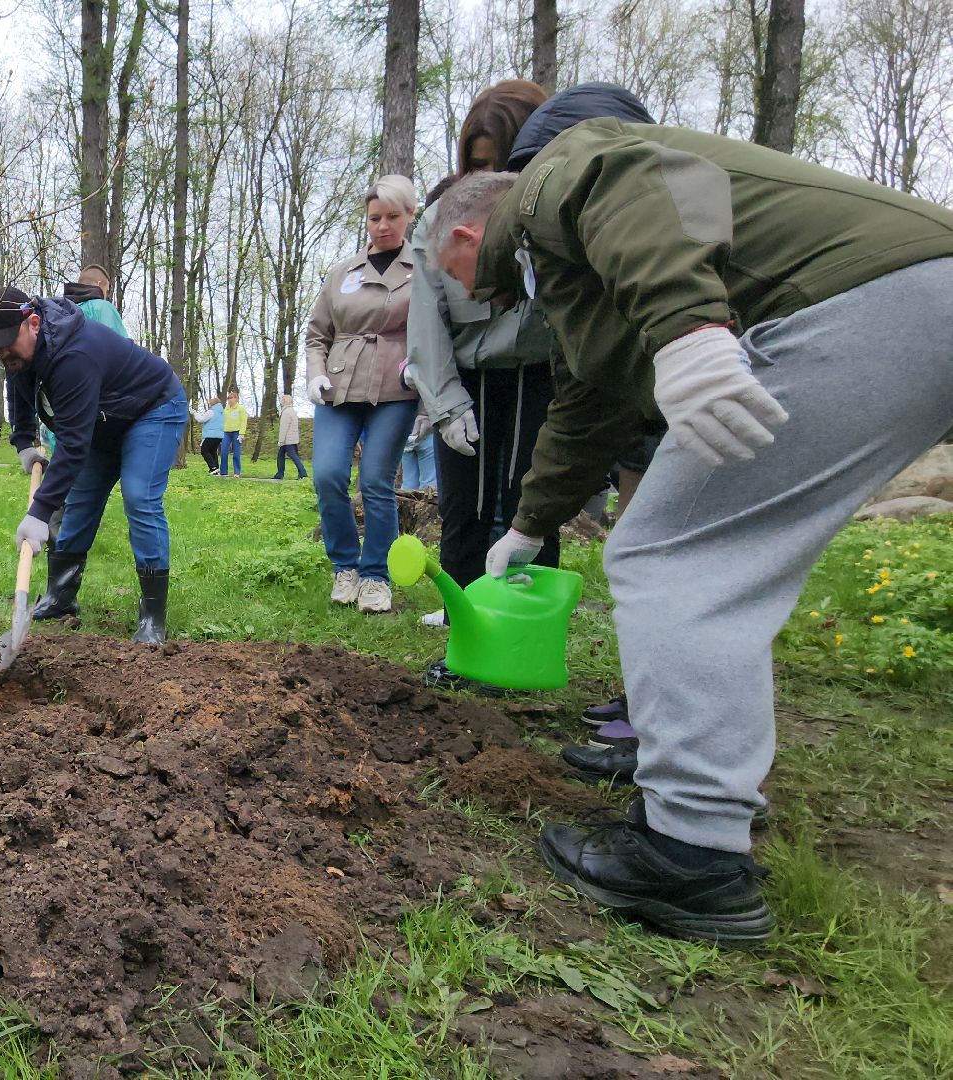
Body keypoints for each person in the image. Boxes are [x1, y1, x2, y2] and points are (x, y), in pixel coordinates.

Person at [426, 117, 953, 948]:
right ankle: (704, 799)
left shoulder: (554, 179)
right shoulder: (567, 280)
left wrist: (687, 332)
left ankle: (691, 856)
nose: (455, 290)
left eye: (443, 271)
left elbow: (625, 179)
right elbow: (588, 402)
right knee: (717, 562)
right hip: (913, 301)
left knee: (673, 558)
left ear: (464, 233)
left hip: (864, 301)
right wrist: (529, 525)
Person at [405, 81, 574, 646]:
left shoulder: (558, 215)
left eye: (502, 163)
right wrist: (446, 405)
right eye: (477, 166)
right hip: (468, 376)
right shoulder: (438, 220)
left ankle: (523, 635)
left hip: (537, 373)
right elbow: (426, 322)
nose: (490, 177)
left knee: (530, 499)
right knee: (465, 509)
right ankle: (467, 635)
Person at [0, 286, 187, 644]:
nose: (3, 352)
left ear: (33, 323)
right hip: (104, 420)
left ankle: (153, 617)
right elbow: (18, 389)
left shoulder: (74, 354)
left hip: (152, 409)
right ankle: (61, 599)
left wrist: (39, 512)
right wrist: (22, 443)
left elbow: (73, 445)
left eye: (7, 342)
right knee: (79, 505)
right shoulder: (19, 351)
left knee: (139, 497)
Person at [301, 175, 421, 615]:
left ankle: (375, 576)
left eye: (392, 216)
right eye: (374, 217)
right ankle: (344, 566)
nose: (382, 225)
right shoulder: (342, 273)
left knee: (375, 479)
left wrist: (419, 367)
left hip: (395, 389)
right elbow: (317, 334)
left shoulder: (423, 271)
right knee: (328, 475)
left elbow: (432, 329)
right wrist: (315, 375)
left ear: (410, 215)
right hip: (340, 385)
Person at [63, 263, 127, 337]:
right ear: (98, 284)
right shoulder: (102, 307)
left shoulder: (65, 309)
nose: (106, 296)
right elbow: (121, 344)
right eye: (106, 291)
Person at [271, 392, 308, 480]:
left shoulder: (286, 412)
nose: (281, 402)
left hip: (287, 440)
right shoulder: (292, 411)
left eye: (282, 400)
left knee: (292, 456)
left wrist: (281, 441)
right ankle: (280, 474)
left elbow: (284, 428)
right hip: (293, 438)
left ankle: (303, 473)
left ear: (284, 401)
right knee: (282, 455)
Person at [191, 394, 224, 472]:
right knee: (213, 452)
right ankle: (216, 467)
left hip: (210, 435)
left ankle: (213, 467)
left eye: (209, 403)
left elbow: (201, 419)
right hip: (219, 436)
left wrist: (195, 413)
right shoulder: (221, 413)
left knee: (204, 451)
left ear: (213, 404)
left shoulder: (211, 412)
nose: (209, 405)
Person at [220, 389, 248, 476]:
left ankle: (237, 472)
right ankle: (224, 472)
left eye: (231, 398)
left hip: (237, 432)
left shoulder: (241, 409)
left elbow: (244, 421)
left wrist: (241, 433)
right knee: (224, 451)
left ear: (236, 399)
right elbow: (222, 421)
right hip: (226, 432)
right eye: (228, 398)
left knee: (236, 452)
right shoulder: (226, 409)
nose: (229, 400)